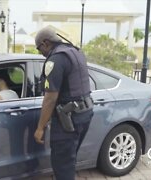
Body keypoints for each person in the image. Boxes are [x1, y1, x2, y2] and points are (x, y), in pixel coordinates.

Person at [33, 27, 94, 180]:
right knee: (69, 159)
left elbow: (50, 98)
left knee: (62, 166)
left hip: (67, 120)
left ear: (45, 43)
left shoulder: (56, 59)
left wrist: (40, 128)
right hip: (84, 114)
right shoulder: (76, 52)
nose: (40, 52)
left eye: (39, 48)